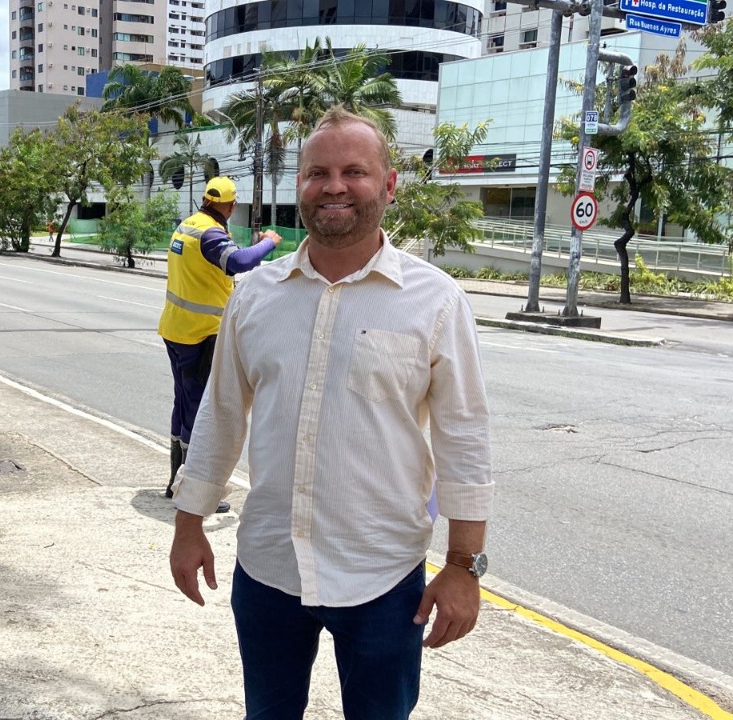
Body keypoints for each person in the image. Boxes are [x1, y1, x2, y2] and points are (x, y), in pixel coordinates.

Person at [168, 106, 493, 719]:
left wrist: (463, 567)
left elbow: (464, 438)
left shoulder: (436, 301)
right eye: (318, 172)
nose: (335, 186)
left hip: (383, 575)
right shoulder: (255, 296)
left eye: (355, 171)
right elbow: (220, 417)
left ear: (388, 185)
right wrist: (188, 527)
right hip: (267, 569)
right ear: (300, 186)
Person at [159, 176, 280, 514]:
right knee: (199, 413)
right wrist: (268, 241)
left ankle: (174, 484)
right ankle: (192, 493)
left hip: (175, 327)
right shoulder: (211, 233)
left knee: (183, 404)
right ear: (227, 206)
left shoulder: (188, 225)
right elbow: (239, 262)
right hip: (201, 334)